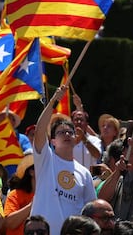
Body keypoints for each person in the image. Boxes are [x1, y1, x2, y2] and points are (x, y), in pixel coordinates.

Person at [32, 86, 96, 235]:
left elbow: (90, 209)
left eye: (70, 132)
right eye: (61, 132)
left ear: (76, 139)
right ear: (53, 141)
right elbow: (39, 131)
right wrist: (54, 101)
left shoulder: (84, 173)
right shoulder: (46, 159)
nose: (67, 134)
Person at [4, 154, 35, 235]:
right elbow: (10, 223)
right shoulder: (14, 195)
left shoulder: (51, 195)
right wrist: (32, 205)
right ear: (32, 172)